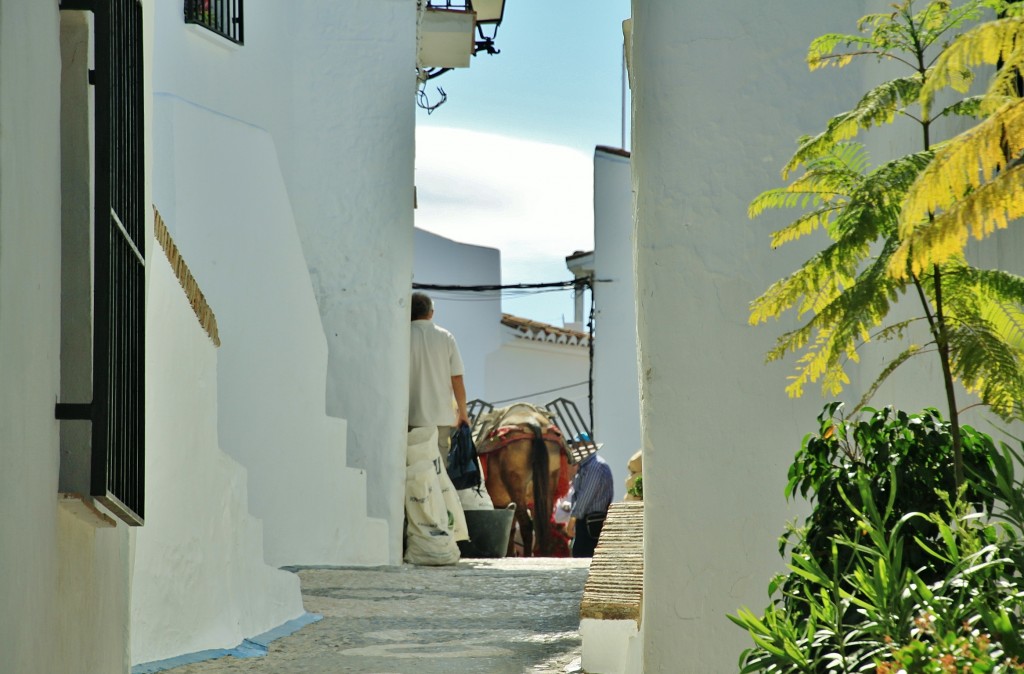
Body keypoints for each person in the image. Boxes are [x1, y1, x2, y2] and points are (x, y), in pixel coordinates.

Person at [408, 291, 470, 462]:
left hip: (411, 418)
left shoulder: (403, 335)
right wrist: (463, 413)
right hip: (440, 419)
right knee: (438, 469)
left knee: (413, 467)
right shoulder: (446, 337)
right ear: (431, 313)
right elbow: (456, 378)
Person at [565, 435, 614, 558]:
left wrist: (572, 519)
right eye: (573, 445)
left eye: (578, 445)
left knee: (585, 558)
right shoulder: (585, 466)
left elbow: (585, 497)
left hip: (592, 522)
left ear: (588, 446)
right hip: (586, 521)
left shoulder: (595, 466)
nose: (574, 448)